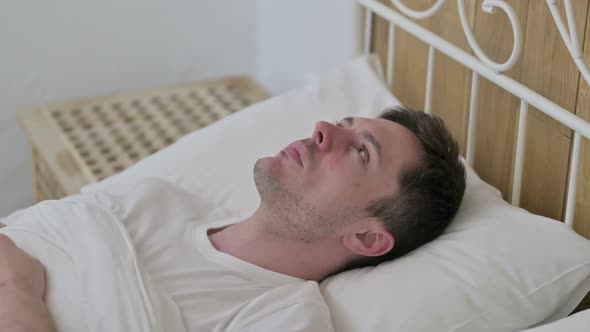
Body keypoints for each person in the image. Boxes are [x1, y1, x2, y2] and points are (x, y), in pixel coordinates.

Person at [0, 106, 466, 331]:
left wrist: (20, 296)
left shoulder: (282, 320)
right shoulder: (155, 200)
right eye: (343, 125)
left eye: (361, 151)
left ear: (366, 236)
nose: (323, 130)